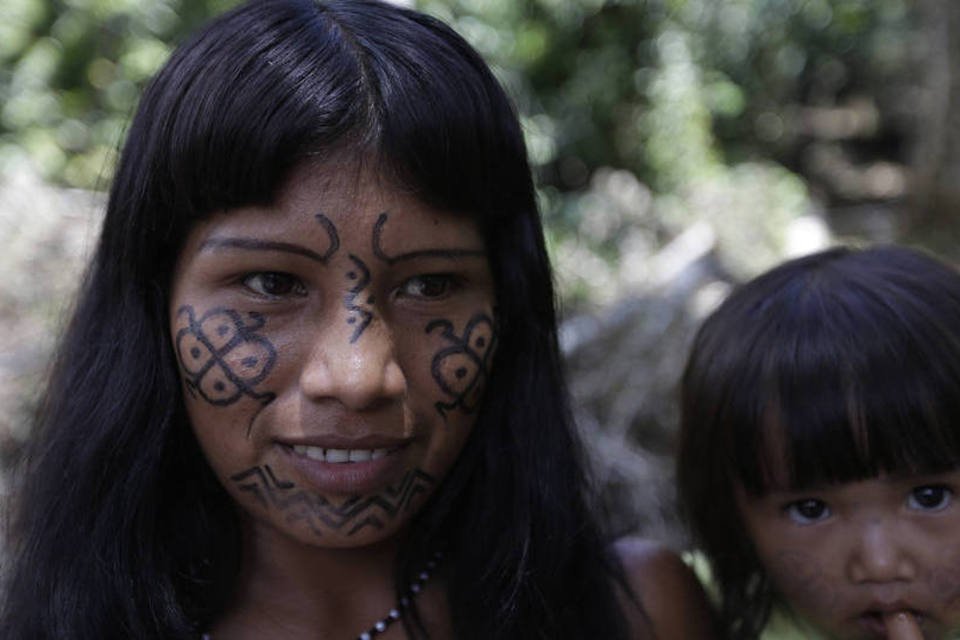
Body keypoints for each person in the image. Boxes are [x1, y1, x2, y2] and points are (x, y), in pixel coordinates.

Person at [0, 1, 717, 638]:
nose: (358, 376)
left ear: (508, 305)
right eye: (271, 283)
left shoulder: (641, 615)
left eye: (432, 285)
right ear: (152, 303)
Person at [677, 245, 960, 640]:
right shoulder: (686, 608)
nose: (879, 564)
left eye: (930, 497)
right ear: (733, 520)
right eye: (810, 509)